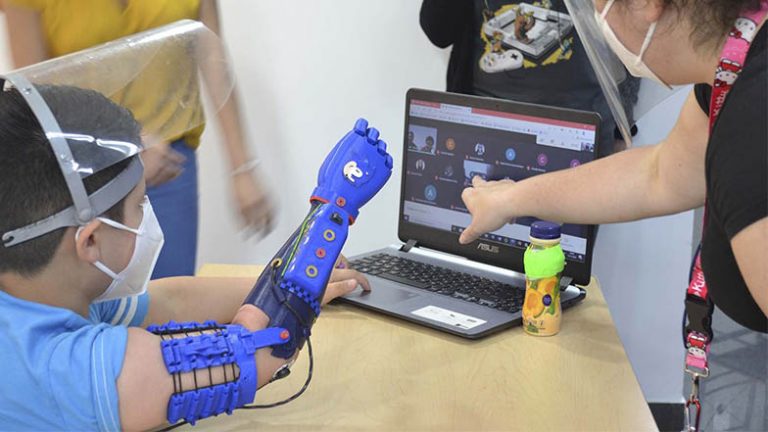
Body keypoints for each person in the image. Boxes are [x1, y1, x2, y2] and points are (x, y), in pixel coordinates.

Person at [0, 83, 378, 430]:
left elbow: (172, 300)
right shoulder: (67, 373)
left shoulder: (43, 293)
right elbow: (264, 348)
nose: (147, 215)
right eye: (139, 204)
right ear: (90, 241)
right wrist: (333, 207)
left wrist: (290, 279)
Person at [459, 0, 766, 427]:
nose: (594, 19)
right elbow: (658, 174)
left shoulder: (753, 129)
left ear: (646, 4)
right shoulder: (734, 70)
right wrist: (510, 199)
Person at [2, 0, 276, 278]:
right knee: (97, 296)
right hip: (85, 169)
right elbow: (34, 95)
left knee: (169, 291)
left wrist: (242, 167)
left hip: (169, 164)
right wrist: (122, 141)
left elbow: (212, 56)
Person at [419, 0, 640, 156]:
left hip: (579, 127)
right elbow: (438, 31)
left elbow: (636, 30)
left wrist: (622, 126)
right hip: (485, 123)